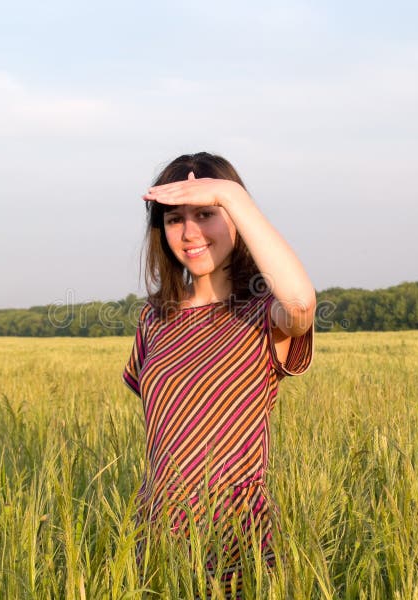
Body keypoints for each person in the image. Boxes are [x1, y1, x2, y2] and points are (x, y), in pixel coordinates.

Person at [122, 152, 315, 598]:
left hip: (238, 537)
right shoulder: (154, 318)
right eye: (174, 219)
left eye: (207, 213)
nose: (190, 233)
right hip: (158, 536)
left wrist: (231, 194)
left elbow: (301, 303)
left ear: (237, 217)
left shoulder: (263, 311)